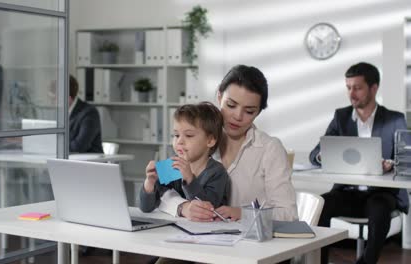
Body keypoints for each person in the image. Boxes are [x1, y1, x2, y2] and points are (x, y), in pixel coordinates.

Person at [159, 65, 298, 222]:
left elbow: (288, 214)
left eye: (249, 111)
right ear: (219, 97)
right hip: (198, 238)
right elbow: (159, 192)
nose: (238, 116)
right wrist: (182, 207)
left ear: (258, 112)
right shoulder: (193, 139)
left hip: (250, 243)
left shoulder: (270, 149)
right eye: (231, 105)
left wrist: (243, 214)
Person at [309, 62, 409, 264]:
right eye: (348, 87)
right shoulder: (341, 117)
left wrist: (391, 164)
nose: (351, 93)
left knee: (379, 208)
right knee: (321, 204)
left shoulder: (394, 119)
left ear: (374, 88)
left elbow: (406, 159)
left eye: (357, 87)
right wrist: (323, 156)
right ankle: (318, 260)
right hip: (348, 193)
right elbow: (316, 153)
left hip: (381, 193)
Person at [139, 102, 229, 214]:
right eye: (176, 135)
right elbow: (146, 207)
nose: (179, 141)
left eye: (189, 135)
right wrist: (150, 182)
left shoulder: (217, 172)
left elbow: (206, 209)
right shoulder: (172, 165)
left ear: (210, 140)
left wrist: (189, 179)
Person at [68, 75, 103, 153]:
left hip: (90, 163)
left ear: (68, 99)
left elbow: (79, 146)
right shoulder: (60, 113)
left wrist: (55, 148)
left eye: (54, 99)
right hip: (70, 161)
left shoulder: (89, 113)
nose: (52, 102)